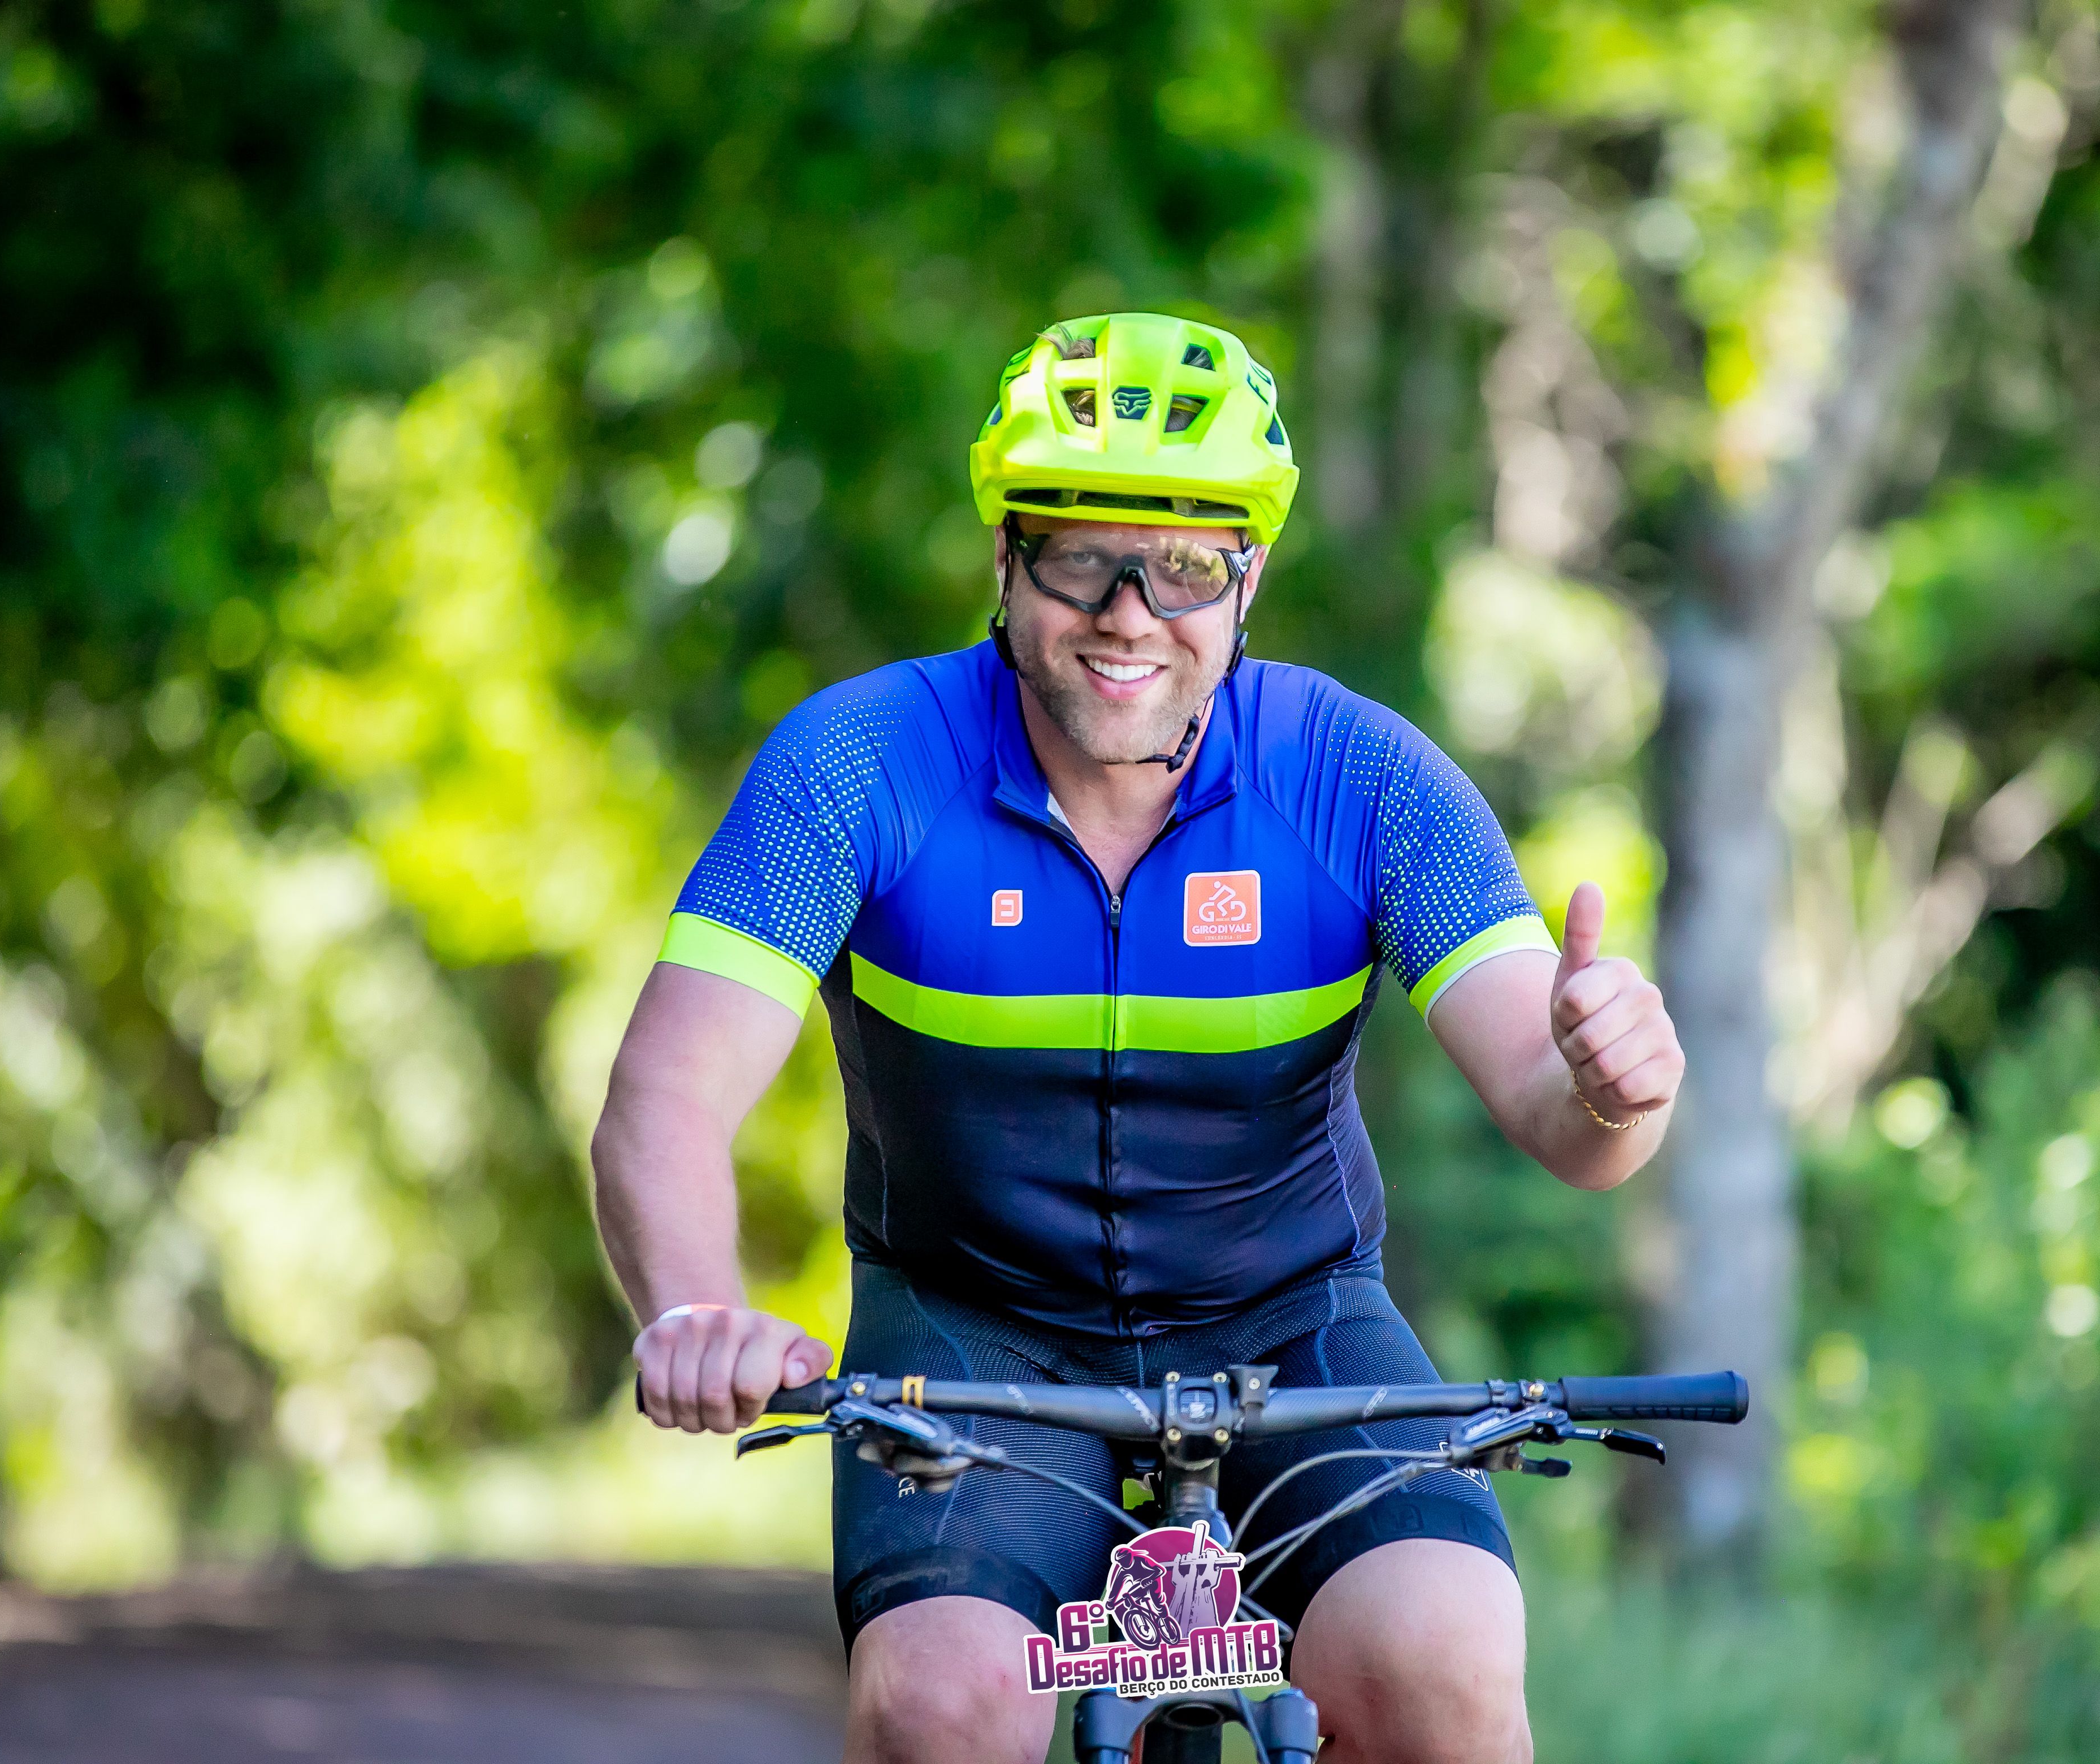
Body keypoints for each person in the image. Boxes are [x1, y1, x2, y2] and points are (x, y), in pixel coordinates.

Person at [593, 312, 1685, 1764]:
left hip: (1296, 1325)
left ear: (1249, 580)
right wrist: (689, 1310)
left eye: (1183, 568)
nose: (1128, 614)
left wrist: (1613, 1085)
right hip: (971, 1334)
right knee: (939, 1707)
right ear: (1005, 558)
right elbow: (666, 1098)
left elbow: (1571, 1124)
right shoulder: (856, 765)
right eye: (1080, 560)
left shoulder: (1360, 775)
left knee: (1444, 1663)